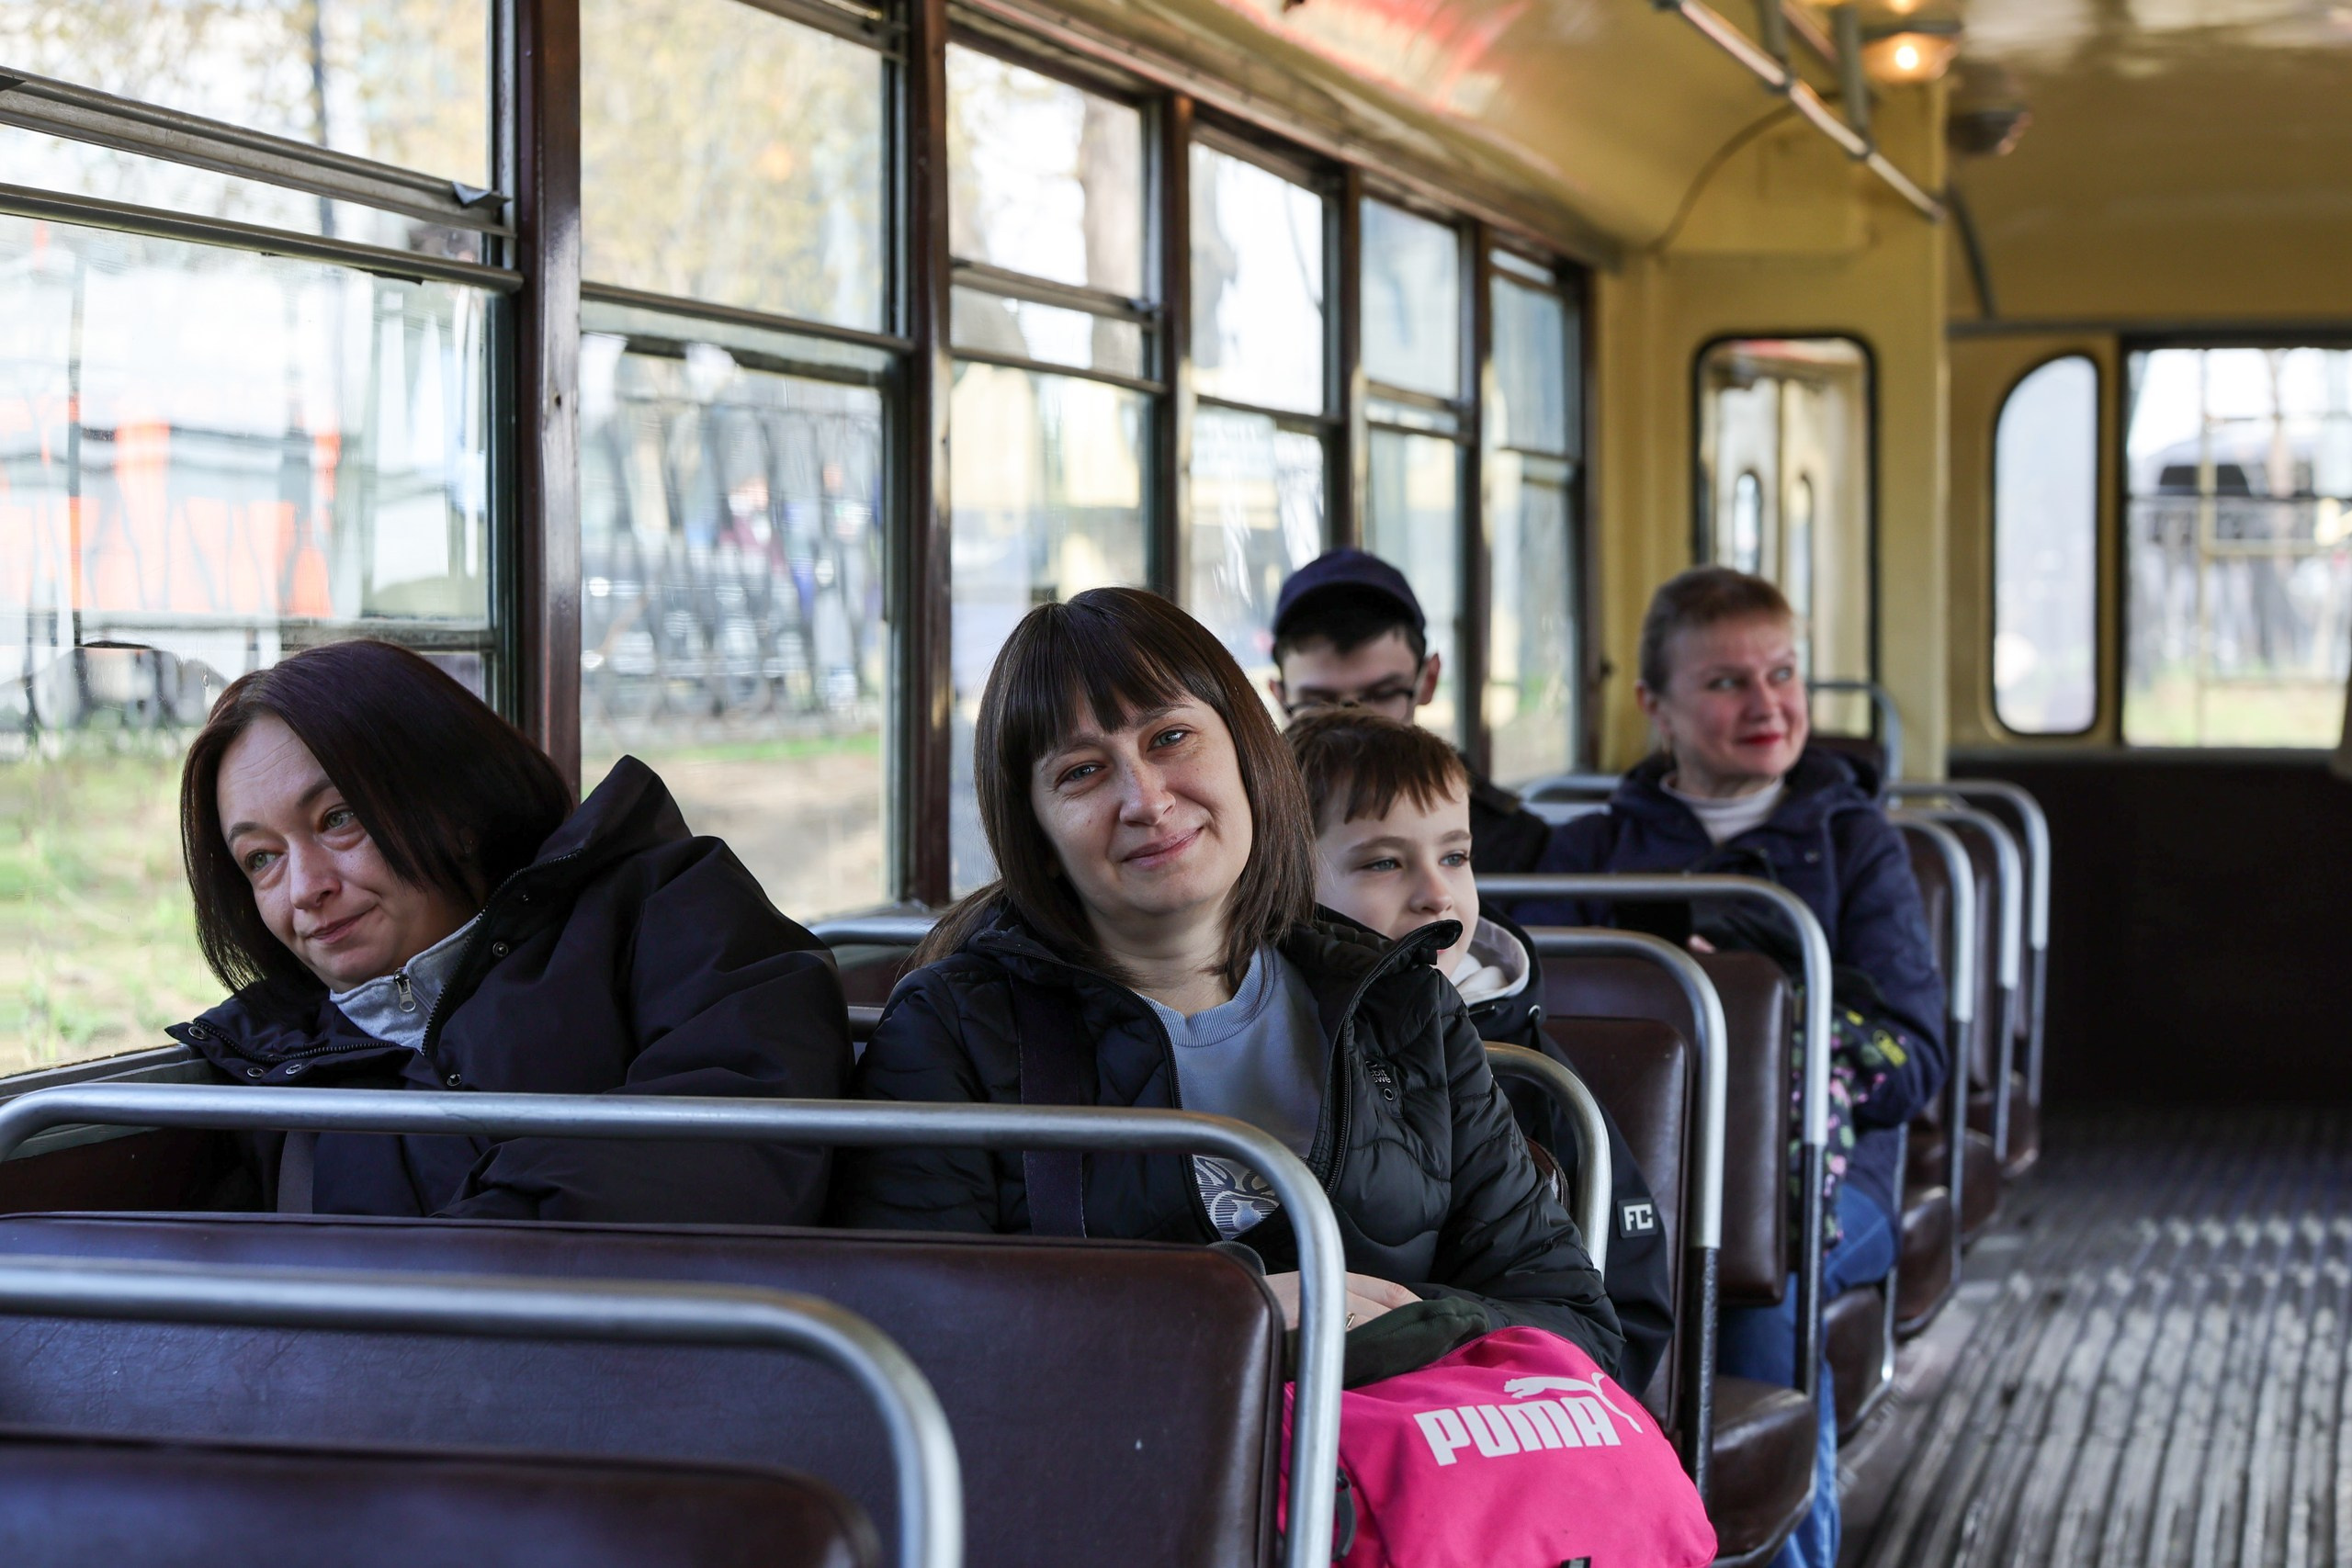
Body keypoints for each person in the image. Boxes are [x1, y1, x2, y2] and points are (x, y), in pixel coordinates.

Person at [832, 586, 1623, 1373]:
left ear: (1247, 750)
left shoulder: (1395, 1000)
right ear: (1037, 834)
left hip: (1394, 1479)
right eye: (1081, 772)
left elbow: (1576, 1325)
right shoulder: (955, 1031)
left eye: (1170, 736)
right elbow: (910, 1344)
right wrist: (1227, 1313)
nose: (1145, 798)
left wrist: (1397, 1328)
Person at [1513, 566, 1946, 1568]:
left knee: (1759, 1269)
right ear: (1653, 706)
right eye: (1724, 683)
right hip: (1620, 1181)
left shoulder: (1854, 848)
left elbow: (1912, 1061)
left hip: (1821, 1187)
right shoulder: (1585, 855)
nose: (1766, 705)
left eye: (1783, 674)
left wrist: (1767, 1025)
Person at [171, 638, 851, 1223]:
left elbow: (736, 1144)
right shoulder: (268, 1071)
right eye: (262, 858)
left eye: (339, 818)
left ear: (455, 808)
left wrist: (452, 1262)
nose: (305, 887)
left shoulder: (667, 913)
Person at [1286, 706, 1676, 1396]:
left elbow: (1627, 1306)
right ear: (1284, 880)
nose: (1437, 892)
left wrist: (1421, 1331)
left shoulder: (1532, 1072)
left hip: (1493, 1403)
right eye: (1383, 862)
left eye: (1455, 856)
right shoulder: (1271, 1049)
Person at [1269, 547, 1552, 873]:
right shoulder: (1240, 836)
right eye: (1319, 702)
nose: (1351, 722)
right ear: (1280, 697)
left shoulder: (1515, 846)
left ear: (1428, 681)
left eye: (1381, 694)